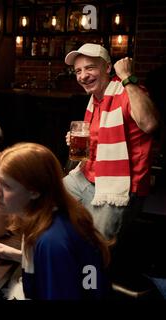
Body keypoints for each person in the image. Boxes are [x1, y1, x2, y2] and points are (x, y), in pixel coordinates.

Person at [0, 142, 110, 300]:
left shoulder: (52, 242)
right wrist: (17, 255)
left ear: (34, 192)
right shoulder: (50, 215)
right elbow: (69, 270)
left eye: (7, 186)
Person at [62, 43, 159, 240]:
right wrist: (82, 141)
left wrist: (126, 77)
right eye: (78, 71)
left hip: (118, 185)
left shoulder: (127, 91)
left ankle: (89, 267)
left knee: (97, 245)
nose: (83, 76)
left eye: (90, 68)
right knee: (48, 201)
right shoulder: (96, 98)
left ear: (107, 67)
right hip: (86, 176)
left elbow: (150, 124)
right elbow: (100, 138)